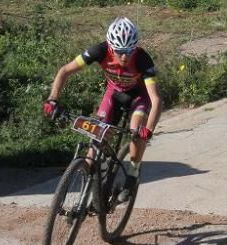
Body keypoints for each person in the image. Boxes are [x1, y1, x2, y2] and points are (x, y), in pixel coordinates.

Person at [44, 17, 161, 195]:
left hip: (139, 96)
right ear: (110, 46)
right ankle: (91, 188)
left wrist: (148, 130)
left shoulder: (143, 60)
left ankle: (134, 172)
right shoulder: (99, 51)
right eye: (120, 51)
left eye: (129, 51)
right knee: (96, 140)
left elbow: (156, 100)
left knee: (135, 130)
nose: (124, 56)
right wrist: (53, 99)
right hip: (113, 94)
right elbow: (65, 71)